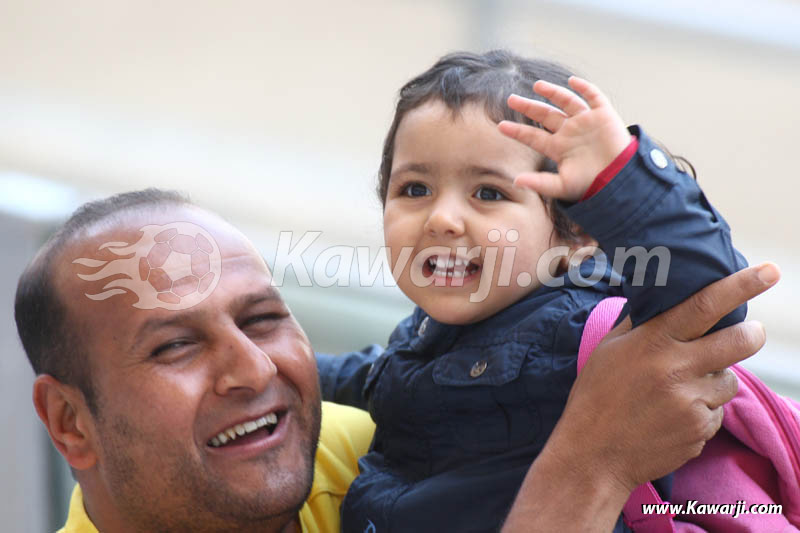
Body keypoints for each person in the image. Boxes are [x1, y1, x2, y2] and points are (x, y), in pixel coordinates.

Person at [14, 189, 777, 532]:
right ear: (71, 421)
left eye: (264, 318)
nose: (251, 370)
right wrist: (591, 464)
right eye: (175, 344)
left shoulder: (355, 447)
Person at [315, 50, 748, 532]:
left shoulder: (581, 330)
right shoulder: (422, 336)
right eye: (415, 189)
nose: (441, 219)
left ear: (577, 235)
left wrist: (622, 183)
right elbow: (376, 380)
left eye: (489, 193)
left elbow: (707, 302)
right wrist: (270, 363)